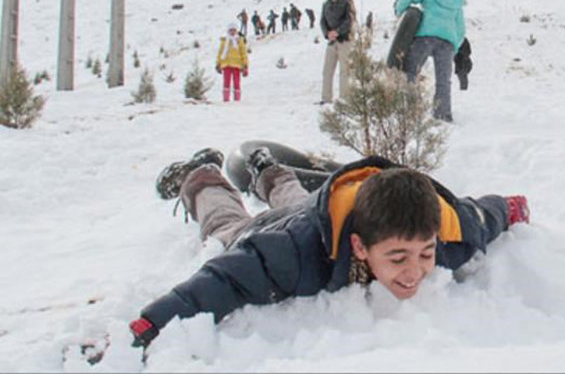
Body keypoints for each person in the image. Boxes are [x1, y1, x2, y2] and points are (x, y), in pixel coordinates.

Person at [129, 145, 530, 347]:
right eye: (397, 258)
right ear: (359, 247)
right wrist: (152, 323)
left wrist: (510, 208)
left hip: (320, 210)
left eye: (425, 254)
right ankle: (200, 173)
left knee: (298, 197)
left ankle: (267, 167)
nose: (415, 271)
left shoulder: (441, 232)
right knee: (225, 224)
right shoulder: (290, 255)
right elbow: (223, 280)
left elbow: (480, 217)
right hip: (282, 229)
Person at [394, 0, 466, 122]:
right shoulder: (456, 0)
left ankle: (409, 110)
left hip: (425, 37)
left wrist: (399, 10)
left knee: (411, 72)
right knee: (443, 80)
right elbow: (460, 28)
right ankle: (443, 114)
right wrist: (455, 47)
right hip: (447, 42)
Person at [319, 0, 353, 104]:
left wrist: (338, 31)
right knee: (327, 70)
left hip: (344, 39)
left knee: (345, 70)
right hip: (332, 41)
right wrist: (327, 34)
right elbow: (322, 21)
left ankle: (345, 98)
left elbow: (349, 20)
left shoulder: (346, 2)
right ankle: (326, 98)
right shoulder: (326, 4)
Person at [215, 23, 249, 102]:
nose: (232, 32)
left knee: (237, 82)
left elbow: (243, 53)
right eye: (231, 30)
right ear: (228, 31)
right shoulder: (224, 41)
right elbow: (220, 53)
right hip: (226, 64)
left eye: (234, 30)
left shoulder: (239, 41)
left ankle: (237, 99)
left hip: (237, 65)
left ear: (236, 31)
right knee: (226, 81)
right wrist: (218, 63)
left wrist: (245, 65)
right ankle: (226, 99)